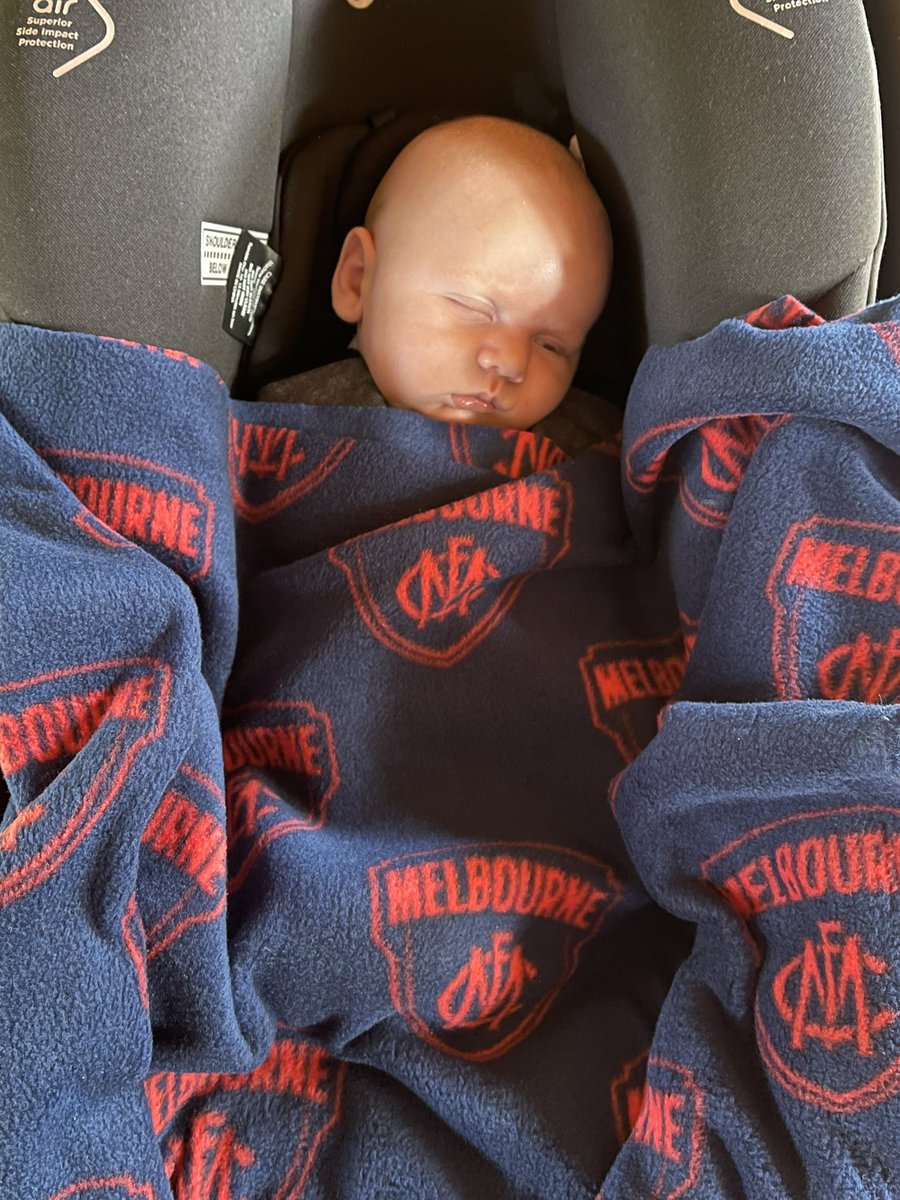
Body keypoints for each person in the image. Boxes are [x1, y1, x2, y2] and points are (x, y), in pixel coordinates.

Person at [261, 115, 620, 454]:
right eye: (472, 308)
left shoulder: (596, 450)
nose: (511, 363)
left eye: (551, 346)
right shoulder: (284, 428)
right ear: (358, 280)